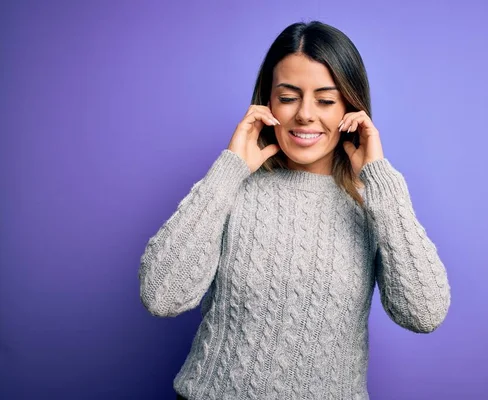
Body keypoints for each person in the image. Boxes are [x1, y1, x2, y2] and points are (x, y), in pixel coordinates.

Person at [138, 20, 451, 400]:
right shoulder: (231, 189)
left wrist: (380, 182)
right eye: (288, 97)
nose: (304, 114)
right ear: (267, 103)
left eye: (325, 100)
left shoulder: (374, 203)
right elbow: (162, 296)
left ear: (351, 108)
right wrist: (227, 171)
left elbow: (424, 313)